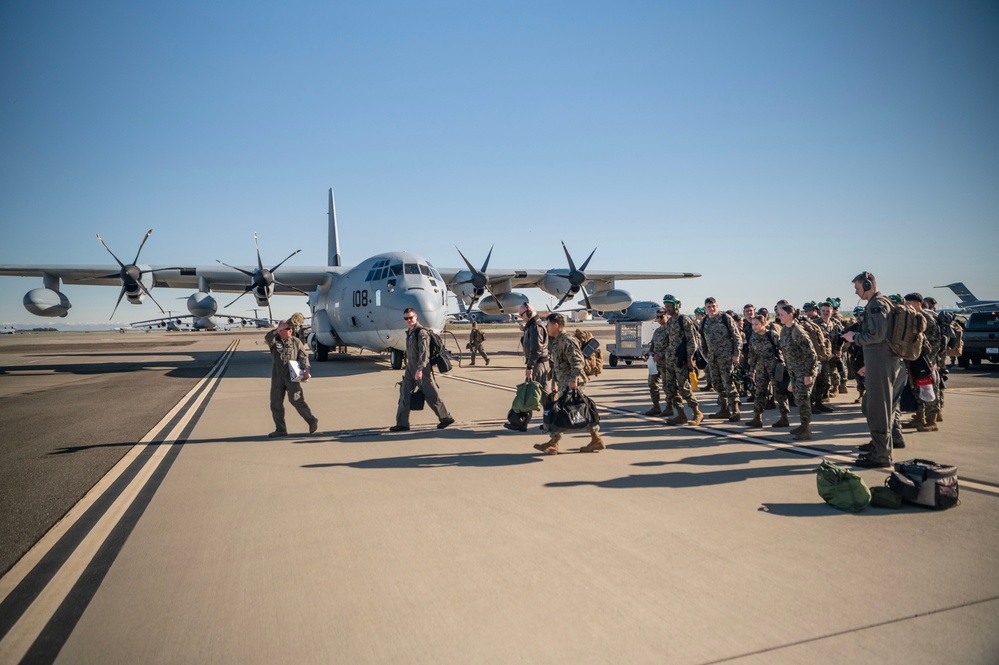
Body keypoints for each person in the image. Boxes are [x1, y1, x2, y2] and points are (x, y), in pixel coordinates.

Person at [841, 272, 906, 467]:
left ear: (868, 285)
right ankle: (880, 446)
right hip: (883, 360)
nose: (856, 292)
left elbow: (877, 335)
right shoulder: (881, 303)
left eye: (858, 288)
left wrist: (855, 338)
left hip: (880, 360)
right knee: (884, 406)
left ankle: (881, 455)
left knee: (878, 407)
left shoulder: (877, 305)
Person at [534, 312, 604, 455]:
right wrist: (554, 381)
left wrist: (573, 380)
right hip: (564, 381)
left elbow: (578, 362)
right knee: (574, 410)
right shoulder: (557, 341)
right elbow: (558, 364)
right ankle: (594, 439)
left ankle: (554, 443)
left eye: (548, 325)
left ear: (556, 325)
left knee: (574, 411)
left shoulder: (567, 340)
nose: (546, 328)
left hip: (572, 381)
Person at [390, 308, 455, 432]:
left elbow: (424, 352)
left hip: (421, 369)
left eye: (411, 317)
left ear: (416, 316)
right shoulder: (410, 332)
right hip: (410, 368)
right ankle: (402, 423)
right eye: (406, 318)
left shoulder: (421, 332)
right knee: (404, 394)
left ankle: (445, 417)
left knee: (431, 395)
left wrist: (420, 369)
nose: (409, 320)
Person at [265, 319, 318, 437]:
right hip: (277, 377)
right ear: (281, 330)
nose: (291, 330)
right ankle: (280, 429)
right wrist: (276, 330)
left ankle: (311, 421)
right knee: (275, 403)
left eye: (291, 329)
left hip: (291, 377)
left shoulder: (295, 341)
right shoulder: (274, 341)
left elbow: (303, 356)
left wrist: (306, 370)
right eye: (288, 328)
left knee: (296, 400)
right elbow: (267, 338)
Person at [901, 293, 943, 432]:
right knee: (917, 389)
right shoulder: (912, 318)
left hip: (925, 360)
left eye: (910, 304)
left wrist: (928, 360)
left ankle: (932, 420)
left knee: (929, 388)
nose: (907, 307)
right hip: (913, 359)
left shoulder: (927, 319)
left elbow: (936, 342)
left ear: (918, 304)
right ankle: (920, 417)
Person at [506, 302, 550, 432]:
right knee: (540, 394)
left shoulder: (536, 327)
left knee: (532, 394)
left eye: (521, 315)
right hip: (538, 363)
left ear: (529, 313)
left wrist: (530, 367)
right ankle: (550, 421)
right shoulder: (532, 326)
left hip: (538, 364)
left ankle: (522, 422)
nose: (521, 317)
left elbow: (536, 349)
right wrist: (526, 331)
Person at [661, 295, 704, 426]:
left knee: (684, 388)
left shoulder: (683, 320)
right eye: (665, 306)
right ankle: (681, 415)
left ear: (676, 306)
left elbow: (692, 341)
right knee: (671, 388)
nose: (667, 308)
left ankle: (697, 413)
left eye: (669, 306)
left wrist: (690, 358)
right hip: (670, 360)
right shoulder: (669, 322)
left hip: (681, 360)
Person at [777, 304, 817, 440]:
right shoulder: (784, 330)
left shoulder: (798, 332)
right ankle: (803, 425)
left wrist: (808, 374)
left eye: (782, 314)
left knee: (803, 399)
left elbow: (811, 355)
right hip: (794, 371)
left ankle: (806, 429)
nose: (779, 316)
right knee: (799, 399)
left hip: (804, 371)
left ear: (790, 315)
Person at [701, 297, 742, 421]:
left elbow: (737, 337)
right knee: (717, 384)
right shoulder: (704, 322)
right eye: (709, 306)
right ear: (705, 308)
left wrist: (736, 354)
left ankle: (735, 410)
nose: (712, 309)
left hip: (726, 358)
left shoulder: (725, 318)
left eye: (713, 306)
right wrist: (707, 356)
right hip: (713, 359)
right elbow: (703, 342)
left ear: (717, 306)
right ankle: (724, 409)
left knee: (728, 383)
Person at [746, 314, 789, 428]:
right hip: (761, 368)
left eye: (757, 324)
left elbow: (784, 349)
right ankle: (757, 417)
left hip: (774, 367)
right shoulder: (753, 337)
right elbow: (753, 355)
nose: (754, 327)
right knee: (759, 392)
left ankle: (784, 417)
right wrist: (752, 370)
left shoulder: (772, 335)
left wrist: (787, 365)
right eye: (753, 324)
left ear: (764, 324)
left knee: (779, 392)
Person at [647, 308, 670, 416]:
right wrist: (651, 353)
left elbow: (672, 346)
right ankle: (656, 406)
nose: (659, 319)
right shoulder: (657, 331)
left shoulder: (671, 330)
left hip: (666, 363)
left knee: (667, 386)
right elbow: (652, 345)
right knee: (652, 384)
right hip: (655, 364)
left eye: (661, 317)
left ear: (667, 316)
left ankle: (669, 407)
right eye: (657, 317)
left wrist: (660, 355)